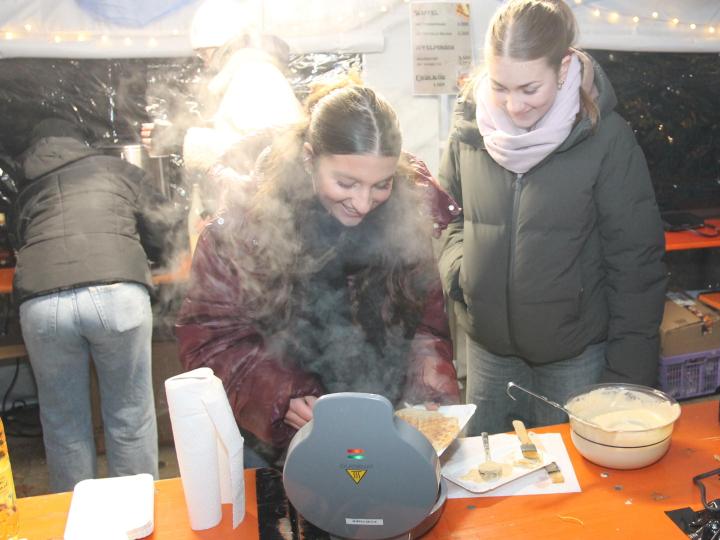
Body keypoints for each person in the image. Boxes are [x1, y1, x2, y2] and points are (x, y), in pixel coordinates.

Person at [174, 84, 461, 467]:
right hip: (276, 442)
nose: (362, 203)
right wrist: (281, 394)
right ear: (309, 159)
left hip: (380, 429)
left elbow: (425, 326)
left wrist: (431, 386)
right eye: (345, 183)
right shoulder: (243, 232)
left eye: (381, 185)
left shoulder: (405, 222)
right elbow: (212, 342)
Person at [436, 0, 667, 435]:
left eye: (529, 89)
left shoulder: (606, 139)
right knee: (489, 488)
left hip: (574, 361)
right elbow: (448, 218)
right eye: (500, 86)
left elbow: (636, 264)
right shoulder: (470, 128)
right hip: (487, 354)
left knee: (570, 492)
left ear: (563, 69)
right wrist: (461, 276)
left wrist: (627, 381)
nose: (512, 105)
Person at [14, 118, 179, 493]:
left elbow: (20, 241)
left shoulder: (26, 191)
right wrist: (153, 254)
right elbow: (162, 223)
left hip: (42, 303)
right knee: (129, 416)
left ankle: (76, 520)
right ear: (82, 142)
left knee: (63, 423)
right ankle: (137, 518)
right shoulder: (119, 170)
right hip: (117, 291)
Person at [142, 0, 304, 211]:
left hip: (268, 214)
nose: (205, 63)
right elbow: (241, 134)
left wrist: (181, 139)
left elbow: (267, 149)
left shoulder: (255, 74)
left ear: (226, 47)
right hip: (255, 211)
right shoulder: (246, 74)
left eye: (205, 53)